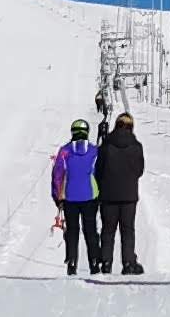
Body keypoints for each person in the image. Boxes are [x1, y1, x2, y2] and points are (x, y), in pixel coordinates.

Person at [94, 111, 147, 274]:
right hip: (129, 196)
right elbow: (139, 170)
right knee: (128, 230)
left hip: (108, 195)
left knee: (108, 230)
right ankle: (129, 263)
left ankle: (106, 262)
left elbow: (98, 170)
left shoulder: (106, 145)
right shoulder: (136, 146)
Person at [51, 120, 100, 274]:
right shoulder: (94, 151)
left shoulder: (65, 151)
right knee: (90, 230)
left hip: (70, 197)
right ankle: (94, 261)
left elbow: (57, 175)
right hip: (90, 196)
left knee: (72, 231)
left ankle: (72, 262)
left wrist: (57, 196)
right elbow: (99, 173)